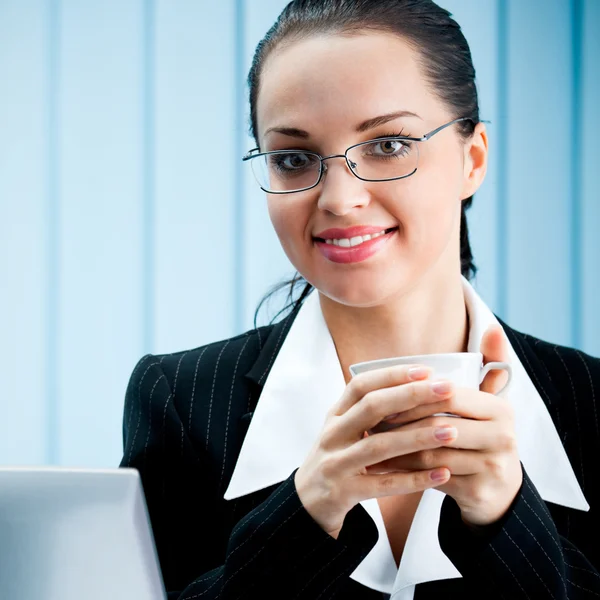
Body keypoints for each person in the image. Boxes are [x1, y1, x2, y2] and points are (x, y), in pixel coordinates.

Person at [120, 1, 600, 598]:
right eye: (294, 159)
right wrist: (303, 515)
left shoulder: (595, 406)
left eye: (390, 145)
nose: (340, 199)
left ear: (472, 159)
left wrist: (507, 519)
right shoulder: (183, 401)